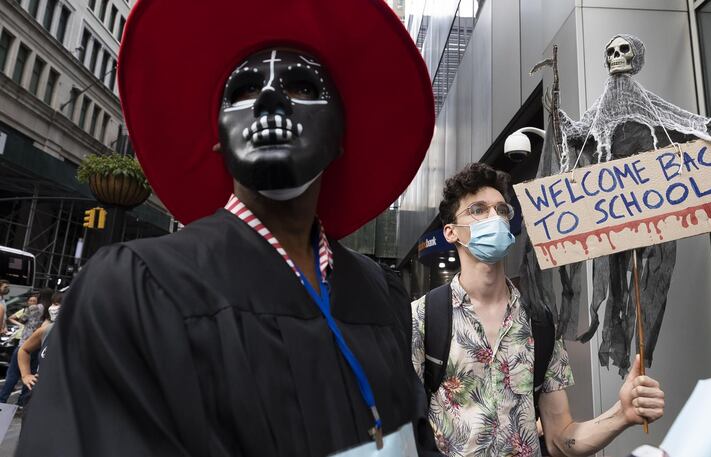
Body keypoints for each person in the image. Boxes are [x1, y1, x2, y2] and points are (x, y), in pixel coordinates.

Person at [17, 1, 437, 456]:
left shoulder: (379, 293)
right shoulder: (131, 292)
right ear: (217, 135)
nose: (270, 99)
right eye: (244, 89)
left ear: (340, 136)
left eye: (300, 85)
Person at [411, 163, 666, 457]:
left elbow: (561, 439)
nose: (494, 218)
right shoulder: (422, 317)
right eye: (478, 210)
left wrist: (621, 415)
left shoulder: (540, 322)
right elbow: (404, 431)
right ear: (451, 232)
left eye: (501, 210)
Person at [0, 291, 47, 405]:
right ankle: (22, 403)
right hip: (38, 346)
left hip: (25, 343)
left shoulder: (33, 308)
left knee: (13, 373)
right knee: (31, 374)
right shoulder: (48, 310)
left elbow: (22, 319)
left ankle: (2, 400)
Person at [19, 292, 62, 393]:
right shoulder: (47, 330)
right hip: (42, 394)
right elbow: (24, 350)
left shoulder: (85, 335)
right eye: (52, 304)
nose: (52, 308)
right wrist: (26, 375)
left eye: (56, 304)